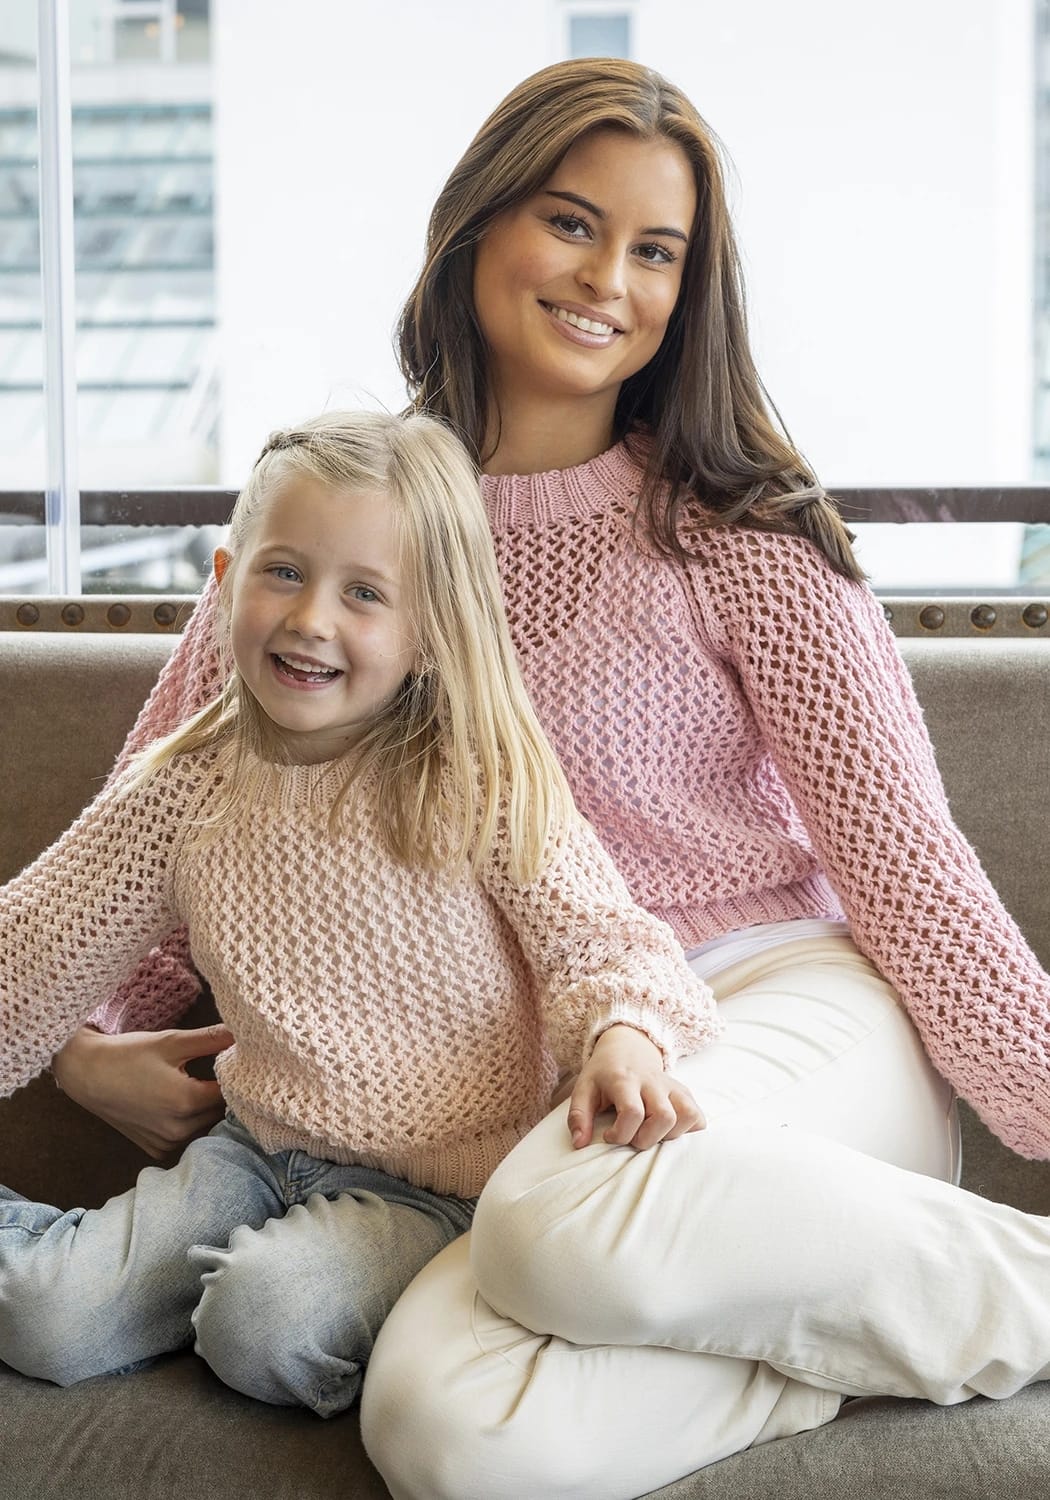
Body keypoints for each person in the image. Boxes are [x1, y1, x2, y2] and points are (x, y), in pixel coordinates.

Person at [46, 56, 1050, 1498]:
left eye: (656, 252)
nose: (607, 281)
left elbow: (921, 892)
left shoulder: (741, 536)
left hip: (778, 1010)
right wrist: (84, 1044)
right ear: (479, 228)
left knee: (549, 1224)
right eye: (572, 224)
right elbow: (175, 796)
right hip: (559, 1107)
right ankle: (825, 1332)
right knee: (437, 1429)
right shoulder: (340, 524)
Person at [0, 407, 720, 1414]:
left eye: (365, 594)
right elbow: (31, 949)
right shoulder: (185, 791)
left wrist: (625, 1038)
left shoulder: (476, 778)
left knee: (264, 1321)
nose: (311, 619)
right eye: (283, 573)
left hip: (440, 1190)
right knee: (49, 1320)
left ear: (429, 633)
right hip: (250, 1155)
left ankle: (298, 1300)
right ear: (225, 583)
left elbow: (601, 941)